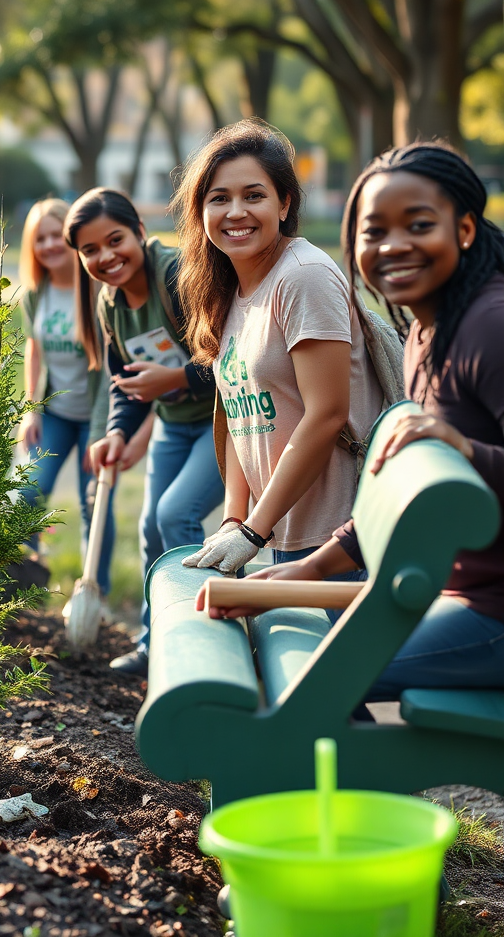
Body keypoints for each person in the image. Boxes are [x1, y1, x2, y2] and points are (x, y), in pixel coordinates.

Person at [219, 143, 504, 699]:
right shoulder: (427, 331)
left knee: (311, 681)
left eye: (419, 225)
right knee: (287, 659)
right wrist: (312, 569)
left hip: (491, 612)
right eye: (374, 233)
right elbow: (393, 496)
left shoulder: (489, 326)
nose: (394, 246)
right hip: (451, 590)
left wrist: (464, 451)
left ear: (465, 229)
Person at [173, 119, 382, 579]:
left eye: (254, 195)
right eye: (219, 198)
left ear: (284, 203)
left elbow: (327, 414)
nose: (235, 212)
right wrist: (234, 518)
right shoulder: (229, 290)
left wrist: (252, 531)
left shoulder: (303, 277)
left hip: (340, 537)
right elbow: (242, 418)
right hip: (280, 531)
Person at [79, 188, 223, 677]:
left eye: (114, 239)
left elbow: (234, 358)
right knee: (150, 528)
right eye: (90, 250)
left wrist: (178, 379)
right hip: (172, 425)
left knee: (176, 515)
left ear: (139, 231)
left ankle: (200, 647)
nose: (106, 256)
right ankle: (154, 643)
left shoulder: (179, 276)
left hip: (223, 420)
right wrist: (117, 432)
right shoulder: (110, 304)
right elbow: (124, 382)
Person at [17, 198, 116, 598]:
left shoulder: (98, 290)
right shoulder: (36, 292)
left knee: (95, 501)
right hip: (54, 414)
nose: (49, 245)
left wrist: (102, 429)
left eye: (56, 235)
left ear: (73, 237)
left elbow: (111, 364)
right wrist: (29, 410)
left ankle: (96, 592)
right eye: (40, 238)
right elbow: (34, 348)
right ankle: (25, 584)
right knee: (27, 491)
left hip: (95, 414)